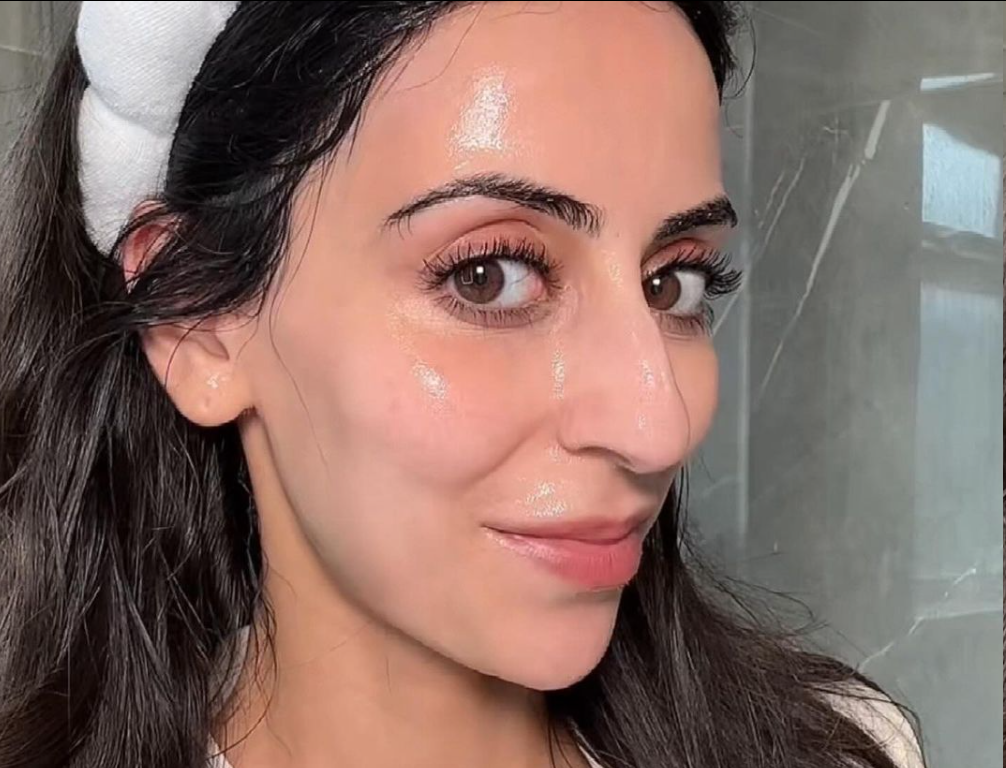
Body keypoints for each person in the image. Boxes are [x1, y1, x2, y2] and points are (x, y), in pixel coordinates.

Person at [0, 3, 926, 767]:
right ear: (198, 319)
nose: (658, 423)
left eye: (672, 282)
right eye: (490, 275)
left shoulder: (834, 750)